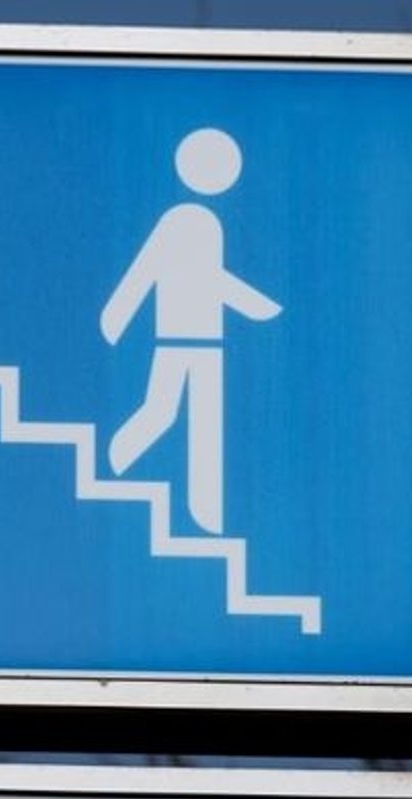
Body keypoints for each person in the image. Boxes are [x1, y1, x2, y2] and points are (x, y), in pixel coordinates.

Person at [100, 127, 280, 535]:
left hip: (208, 344)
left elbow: (210, 279)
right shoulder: (184, 221)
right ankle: (114, 459)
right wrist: (117, 315)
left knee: (205, 430)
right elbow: (149, 270)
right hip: (178, 339)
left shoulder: (208, 224)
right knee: (161, 413)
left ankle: (207, 517)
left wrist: (250, 304)